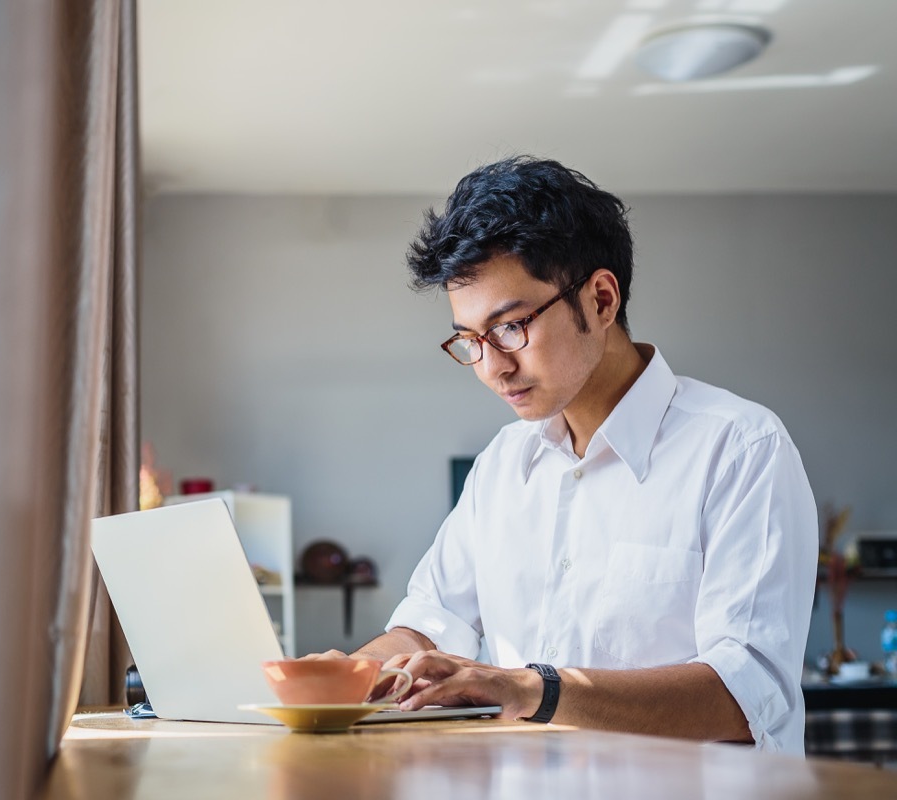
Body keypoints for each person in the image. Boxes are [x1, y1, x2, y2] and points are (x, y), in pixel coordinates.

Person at [344, 156, 817, 755]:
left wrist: (533, 690)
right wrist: (339, 675)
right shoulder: (503, 465)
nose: (492, 367)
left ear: (599, 299)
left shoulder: (741, 450)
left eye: (511, 326)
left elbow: (746, 697)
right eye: (470, 341)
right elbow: (429, 622)